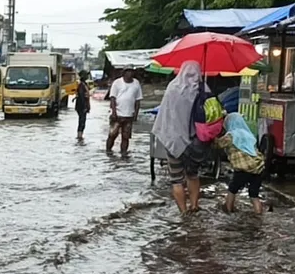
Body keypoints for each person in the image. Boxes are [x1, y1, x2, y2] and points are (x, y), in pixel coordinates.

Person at [154, 61, 209, 215]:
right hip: (196, 142)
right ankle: (194, 205)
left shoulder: (172, 88)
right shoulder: (203, 89)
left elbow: (164, 114)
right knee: (193, 175)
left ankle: (184, 212)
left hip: (174, 141)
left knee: (176, 179)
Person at [215, 112, 266, 214]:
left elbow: (218, 145)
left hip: (244, 169)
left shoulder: (230, 136)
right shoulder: (249, 134)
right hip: (258, 167)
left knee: (232, 189)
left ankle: (229, 210)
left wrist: (213, 137)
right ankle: (259, 215)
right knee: (254, 195)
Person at [106, 68, 144, 154]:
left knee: (126, 137)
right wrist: (114, 112)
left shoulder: (136, 83)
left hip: (129, 115)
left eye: (131, 71)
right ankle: (108, 152)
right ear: (124, 73)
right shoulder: (117, 83)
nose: (129, 73)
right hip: (117, 114)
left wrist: (136, 115)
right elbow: (112, 98)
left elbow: (138, 100)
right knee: (112, 135)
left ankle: (123, 154)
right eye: (127, 71)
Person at [75, 70, 92, 141]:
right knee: (82, 121)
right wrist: (84, 107)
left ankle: (80, 135)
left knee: (82, 121)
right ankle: (79, 136)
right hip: (81, 106)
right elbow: (82, 97)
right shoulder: (81, 85)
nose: (87, 76)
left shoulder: (84, 84)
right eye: (86, 75)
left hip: (82, 106)